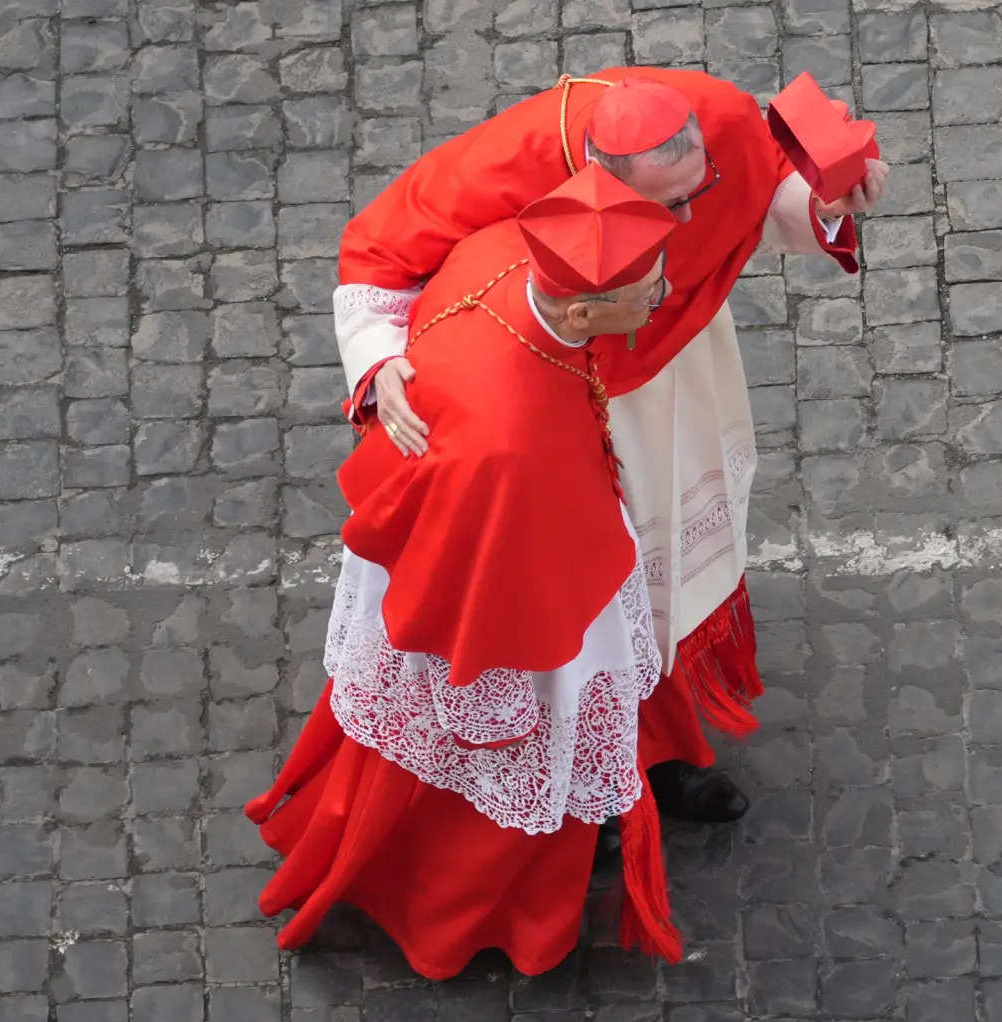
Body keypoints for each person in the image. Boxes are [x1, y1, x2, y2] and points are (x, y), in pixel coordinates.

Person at [330, 70, 888, 824]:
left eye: (699, 187)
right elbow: (378, 247)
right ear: (596, 178)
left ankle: (659, 755)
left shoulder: (718, 120)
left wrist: (822, 203)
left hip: (674, 374)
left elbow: (763, 192)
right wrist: (379, 360)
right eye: (666, 206)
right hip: (558, 398)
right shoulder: (518, 156)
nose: (690, 218)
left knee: (663, 583)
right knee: (582, 602)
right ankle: (588, 781)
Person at [245, 166, 692, 978]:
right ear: (586, 311)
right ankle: (481, 912)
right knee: (524, 751)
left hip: (526, 527)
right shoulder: (503, 445)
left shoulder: (501, 250)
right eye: (649, 290)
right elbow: (495, 597)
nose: (662, 297)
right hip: (509, 592)